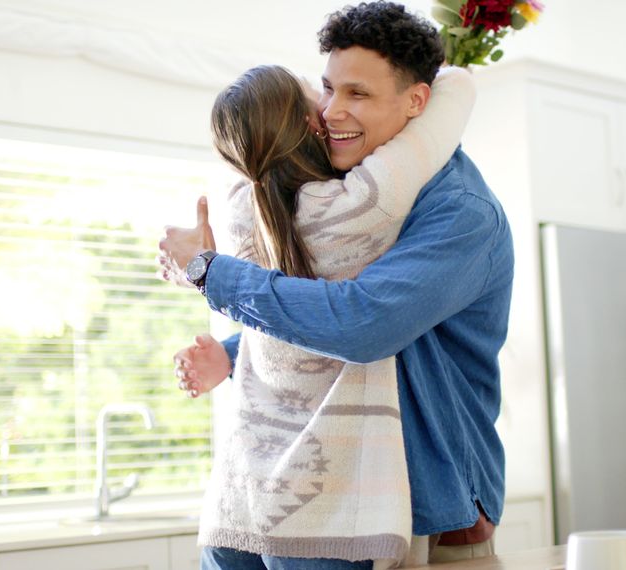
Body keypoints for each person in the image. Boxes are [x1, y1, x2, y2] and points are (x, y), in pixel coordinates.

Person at [159, 1, 514, 566]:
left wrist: (211, 272)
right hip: (326, 489)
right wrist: (236, 350)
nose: (331, 111)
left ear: (417, 102)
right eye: (327, 88)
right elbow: (320, 301)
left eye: (358, 94)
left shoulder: (459, 213)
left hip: (432, 505)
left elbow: (363, 323)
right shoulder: (343, 193)